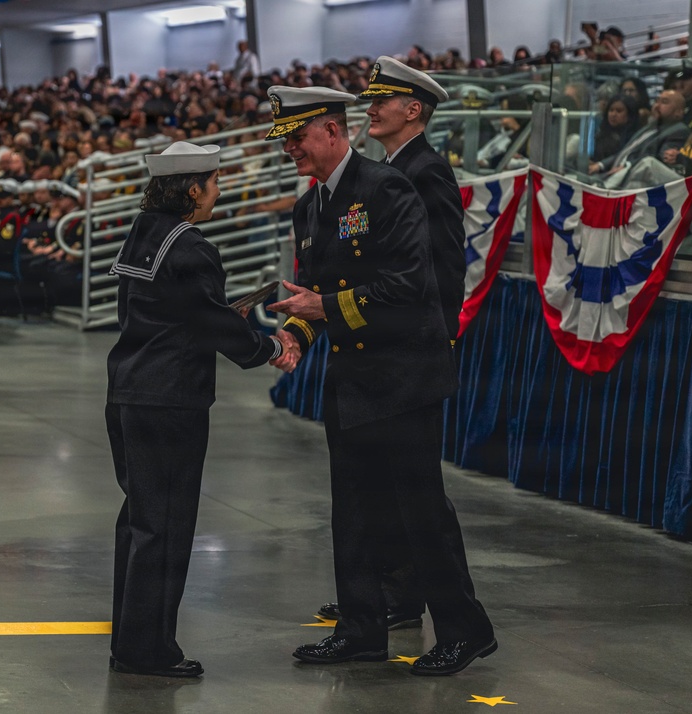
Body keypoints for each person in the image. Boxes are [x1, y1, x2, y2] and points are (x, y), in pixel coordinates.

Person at [264, 86, 495, 676]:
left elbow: (409, 285)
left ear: (333, 132)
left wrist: (325, 309)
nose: (291, 149)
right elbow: (311, 296)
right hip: (351, 379)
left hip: (404, 374)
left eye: (298, 137)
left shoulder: (389, 187)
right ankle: (362, 629)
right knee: (354, 509)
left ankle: (464, 629)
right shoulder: (308, 208)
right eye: (285, 141)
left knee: (420, 510)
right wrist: (296, 334)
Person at [106, 141, 295, 679]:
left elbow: (175, 310)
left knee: (141, 522)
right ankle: (148, 651)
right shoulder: (192, 246)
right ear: (193, 189)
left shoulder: (144, 232)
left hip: (128, 391)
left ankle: (131, 640)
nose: (218, 192)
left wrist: (218, 314)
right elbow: (209, 323)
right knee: (165, 526)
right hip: (169, 399)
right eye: (213, 183)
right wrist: (269, 348)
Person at [308, 56, 467, 633]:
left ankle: (409, 598)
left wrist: (435, 338)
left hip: (408, 350)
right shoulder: (382, 173)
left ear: (413, 110)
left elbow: (443, 267)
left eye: (381, 102)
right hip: (376, 348)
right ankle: (386, 595)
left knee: (415, 495)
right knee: (379, 490)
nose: (369, 109)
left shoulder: (424, 171)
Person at [591, 93, 641, 163]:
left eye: (619, 111)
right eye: (611, 110)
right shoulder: (600, 134)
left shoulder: (635, 138)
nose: (613, 114)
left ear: (630, 115)